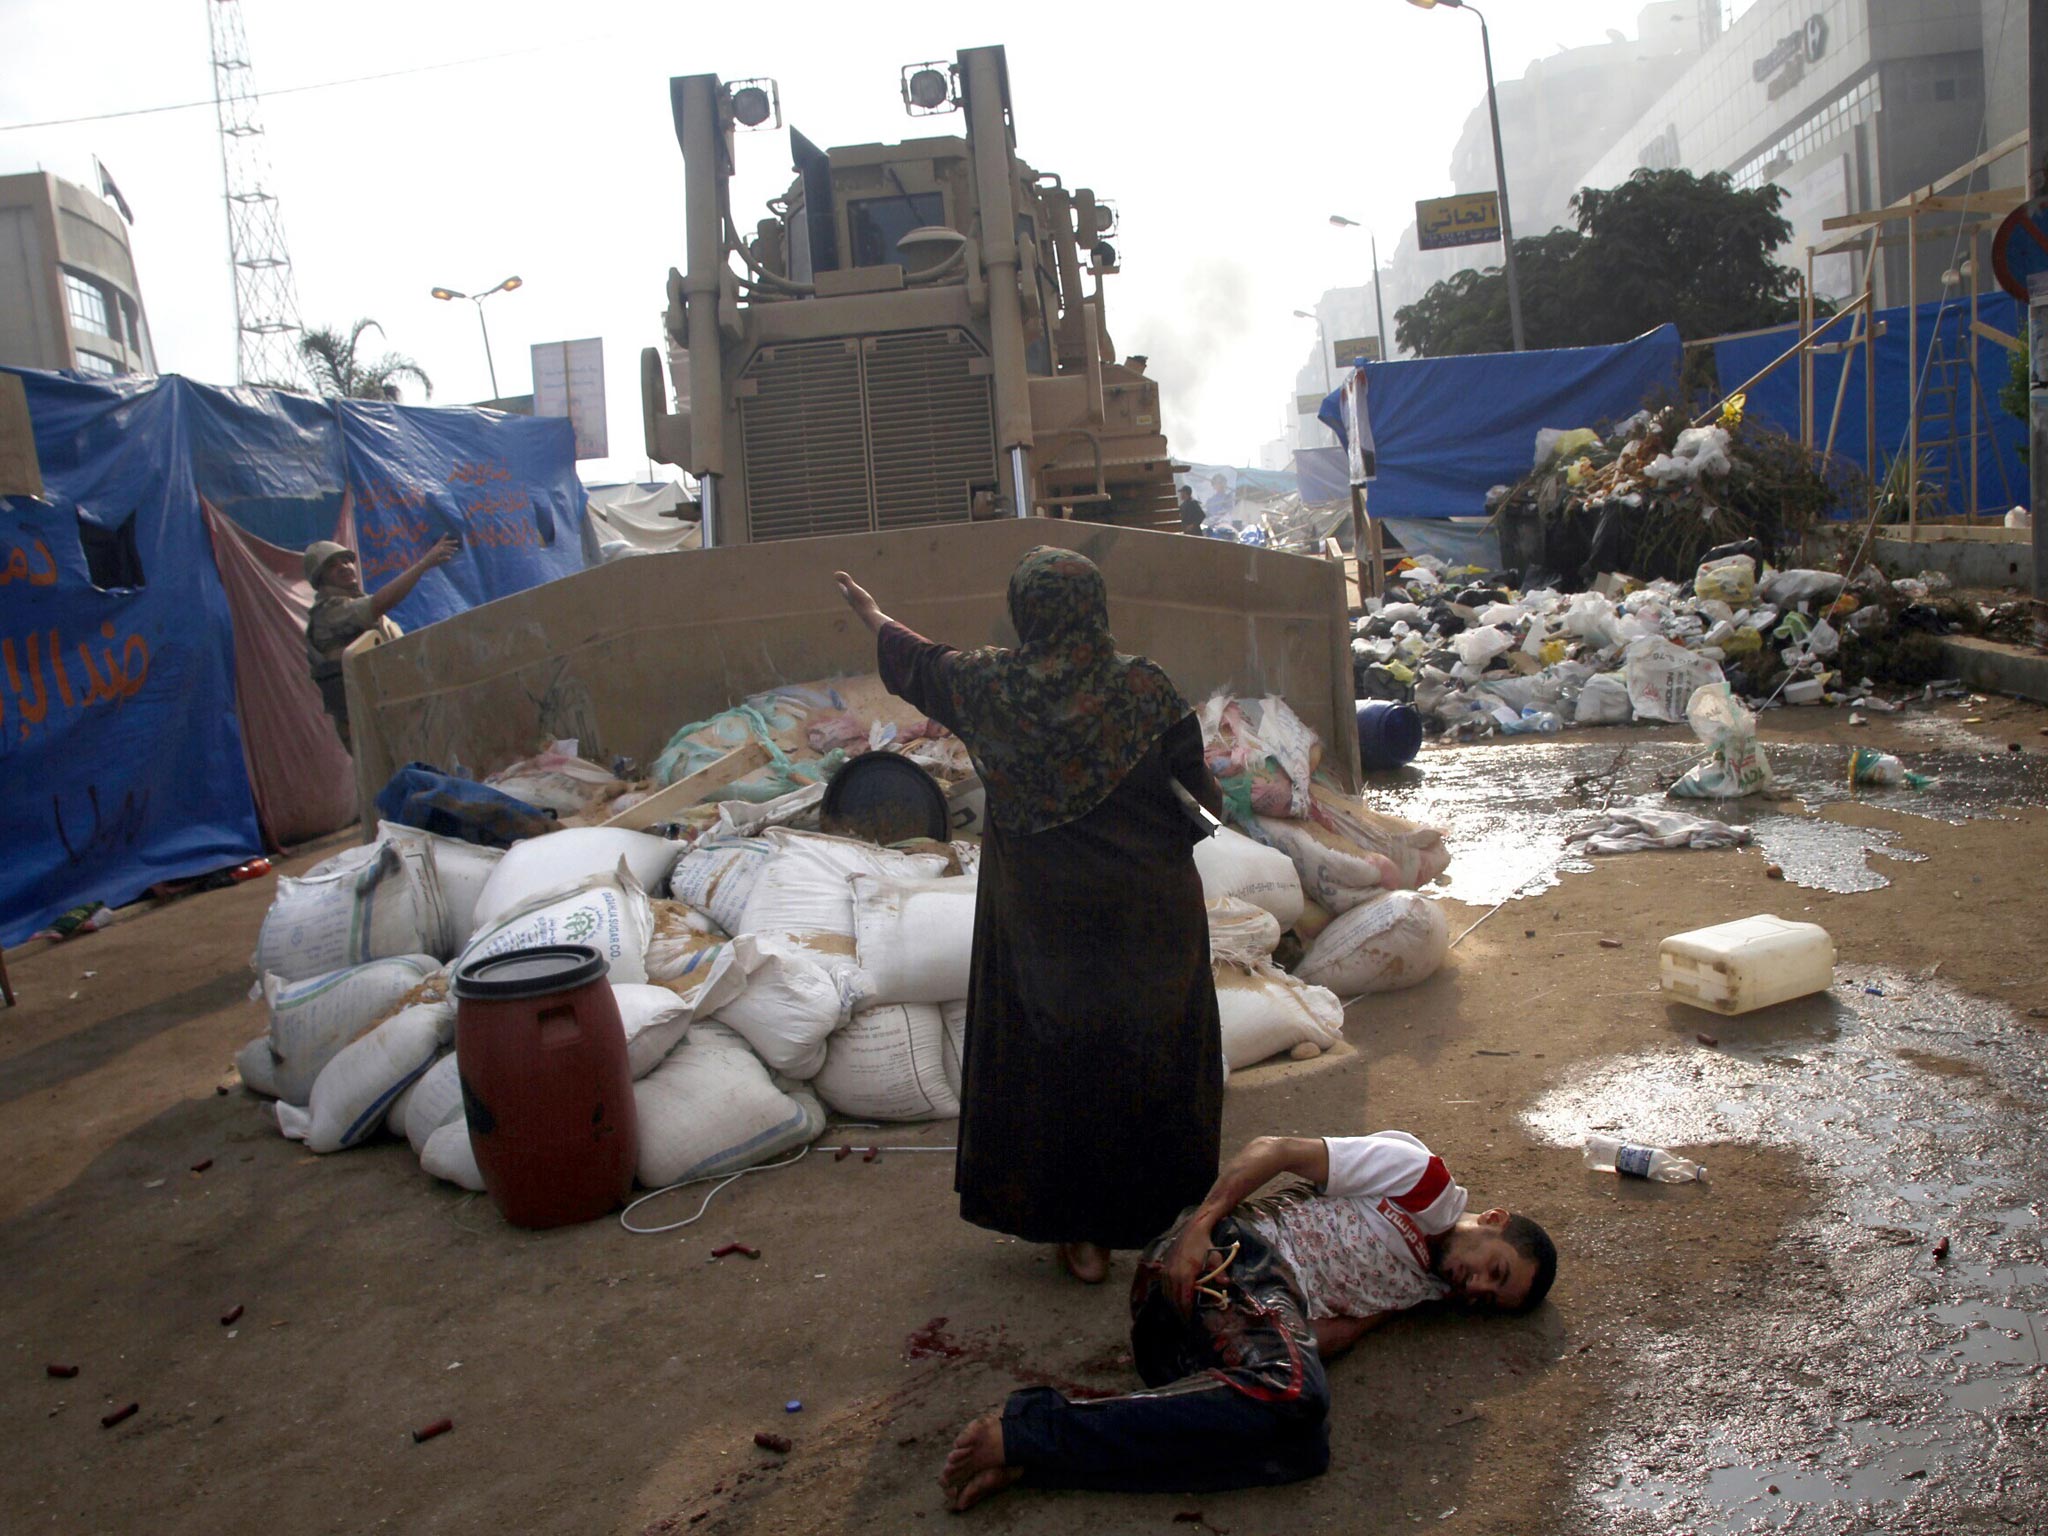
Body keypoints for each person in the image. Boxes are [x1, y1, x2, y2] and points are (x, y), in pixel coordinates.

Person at [833, 548, 1223, 1286]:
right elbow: (1202, 794)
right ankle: (1163, 1215)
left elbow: (918, 660)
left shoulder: (988, 684)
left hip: (1046, 921)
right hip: (1149, 913)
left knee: (1059, 1061)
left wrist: (872, 614)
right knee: (1152, 1048)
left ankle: (1082, 1237)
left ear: (1024, 610)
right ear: (1096, 607)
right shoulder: (1144, 687)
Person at [938, 1129, 1557, 1511]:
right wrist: (1199, 1226)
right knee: (1296, 1393)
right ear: (1496, 1219)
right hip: (1224, 1255)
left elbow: (1320, 1337)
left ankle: (1044, 1457)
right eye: (1493, 1272)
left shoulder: (1422, 1290)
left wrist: (1327, 1338)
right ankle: (1031, 1426)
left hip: (1201, 1349)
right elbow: (1275, 1150)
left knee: (1303, 1449)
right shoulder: (1424, 1180)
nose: (1473, 1287)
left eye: (1485, 1301)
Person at [303, 535, 457, 751]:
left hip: (394, 709)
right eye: (332, 566)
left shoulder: (360, 607)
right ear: (321, 579)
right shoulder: (329, 613)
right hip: (368, 720)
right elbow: (378, 604)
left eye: (346, 561)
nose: (344, 567)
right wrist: (424, 565)